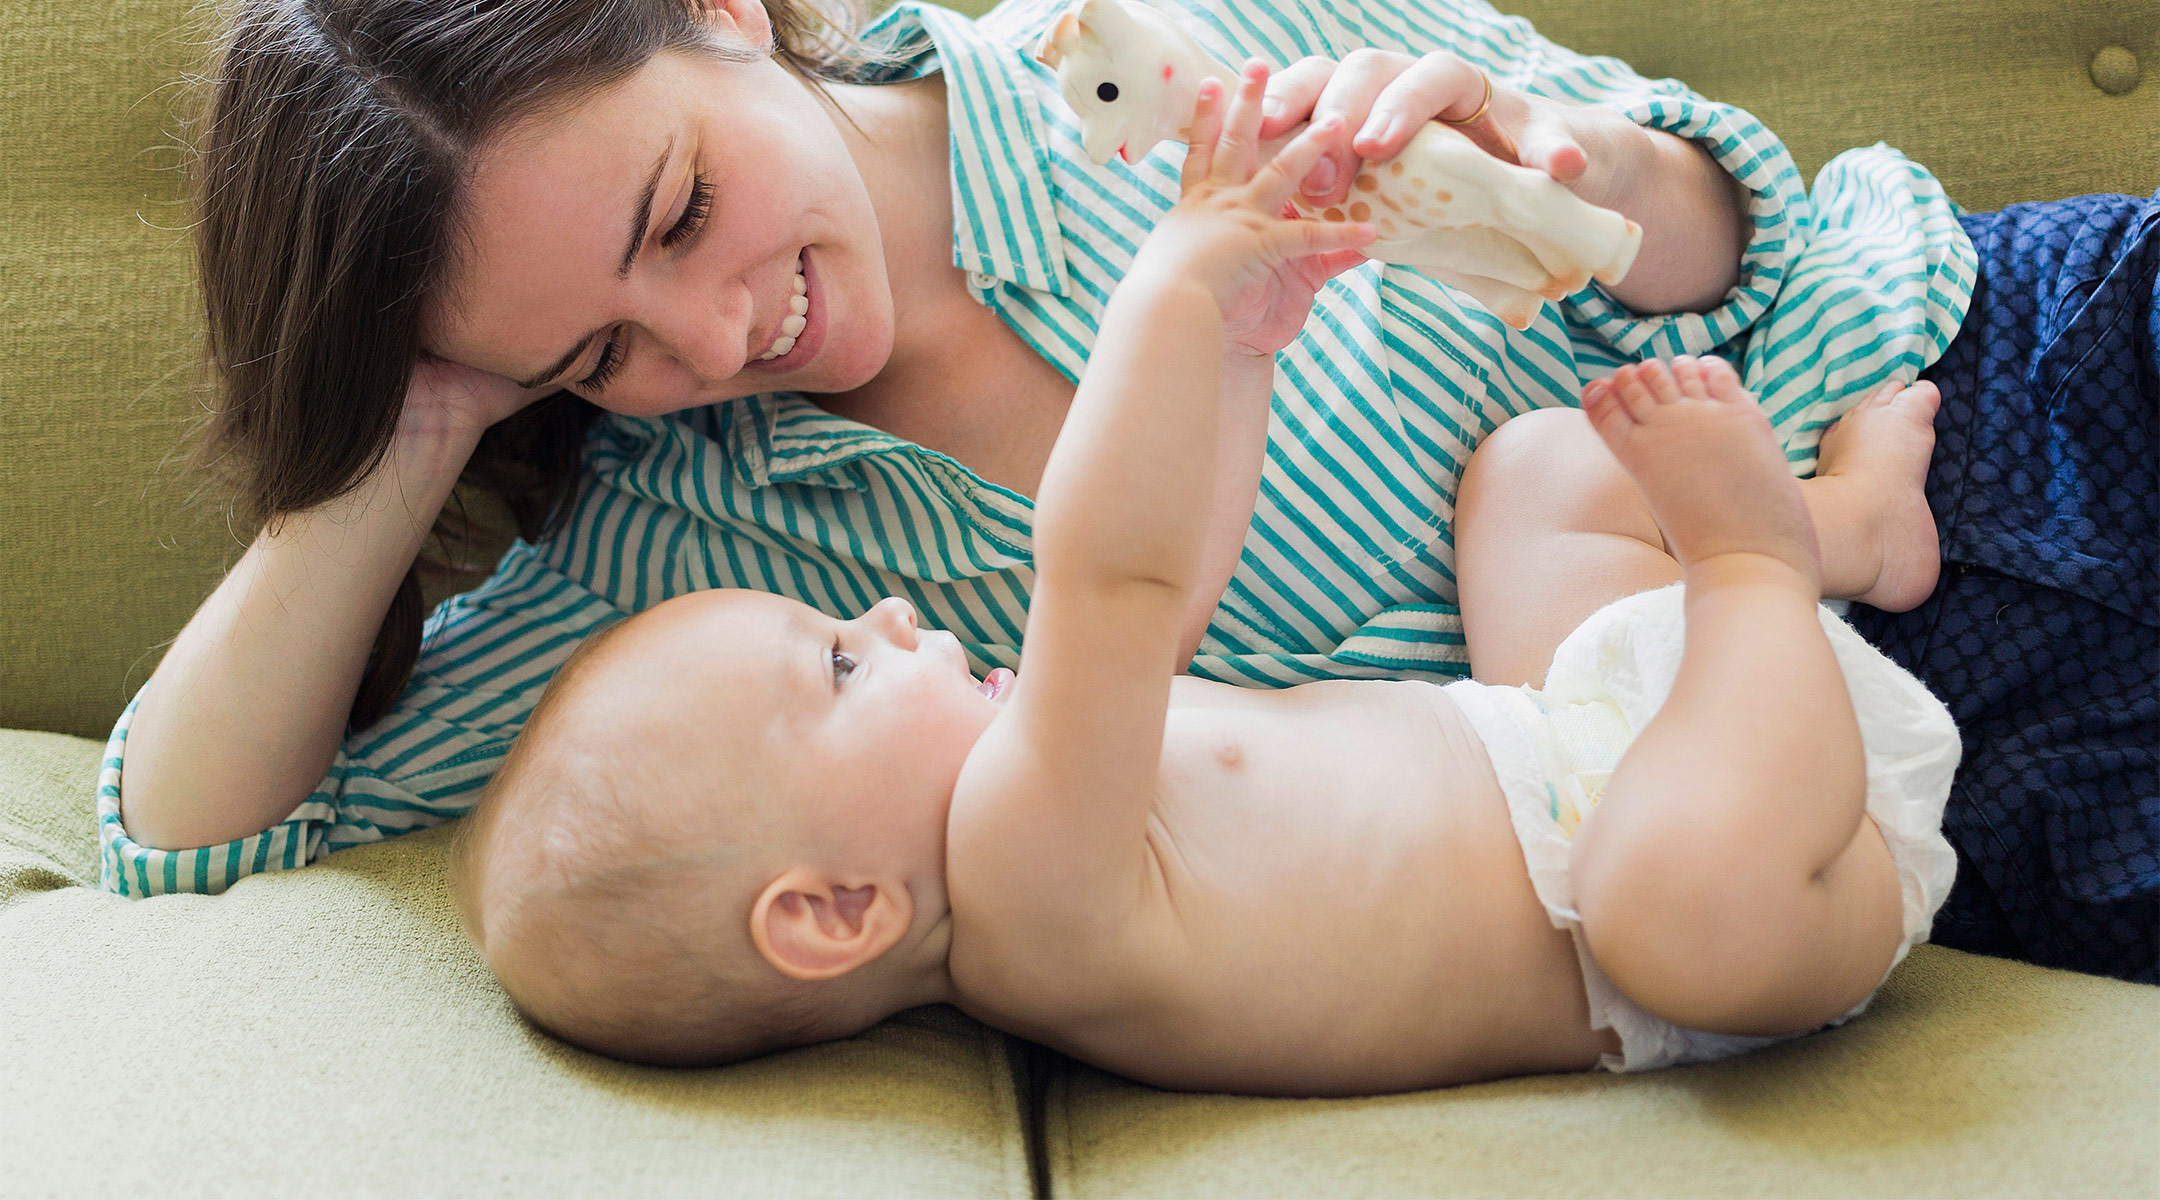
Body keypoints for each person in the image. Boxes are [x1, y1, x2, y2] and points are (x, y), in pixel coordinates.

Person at [98, 0, 2150, 984]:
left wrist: (1565, 168)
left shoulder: (1113, 58)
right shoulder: (672, 573)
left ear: (727, 19)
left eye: (681, 209)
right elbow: (180, 845)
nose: (711, 339)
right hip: (1860, 797)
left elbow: (1734, 229)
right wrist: (421, 416)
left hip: (1984, 371)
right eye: (594, 347)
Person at [453, 74, 1962, 1087]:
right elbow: (1115, 577)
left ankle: (1848, 532)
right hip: (1718, 899)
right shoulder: (1033, 899)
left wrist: (1245, 347)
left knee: (1536, 473)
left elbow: (1171, 587)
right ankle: (1763, 564)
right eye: (841, 664)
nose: (899, 620)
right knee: (1668, 904)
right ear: (835, 912)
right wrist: (1186, 277)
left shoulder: (1051, 823)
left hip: (1583, 726)